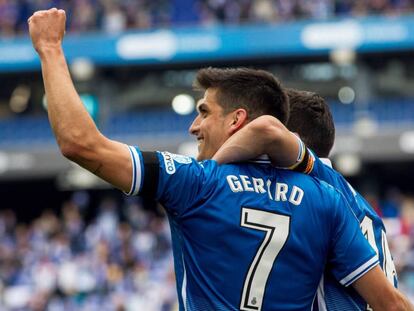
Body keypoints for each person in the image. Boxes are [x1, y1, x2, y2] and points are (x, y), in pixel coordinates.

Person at [28, 9, 411, 310]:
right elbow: (390, 303)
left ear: (237, 120)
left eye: (204, 112)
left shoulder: (198, 183)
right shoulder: (327, 197)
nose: (194, 126)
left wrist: (49, 49)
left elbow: (80, 143)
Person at [213, 88, 407, 310]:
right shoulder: (356, 203)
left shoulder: (319, 185)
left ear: (288, 139)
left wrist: (207, 172)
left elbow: (392, 304)